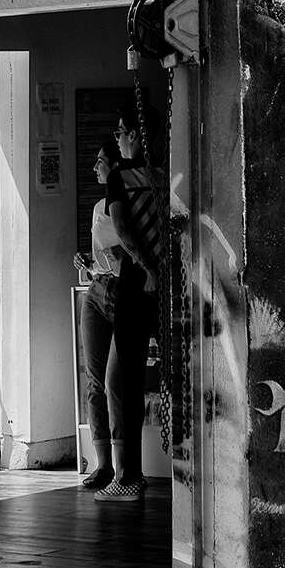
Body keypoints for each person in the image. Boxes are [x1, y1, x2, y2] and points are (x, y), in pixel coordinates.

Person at [97, 98, 166, 505]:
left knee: (122, 380)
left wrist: (145, 266)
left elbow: (123, 228)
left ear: (135, 135)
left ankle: (127, 476)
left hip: (136, 284)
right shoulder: (163, 173)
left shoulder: (120, 176)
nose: (118, 139)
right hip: (168, 282)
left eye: (120, 132)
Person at [75, 138, 124, 488]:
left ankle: (124, 467)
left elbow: (133, 251)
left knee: (114, 382)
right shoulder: (97, 208)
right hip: (97, 287)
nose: (95, 167)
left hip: (122, 290)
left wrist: (119, 255)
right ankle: (102, 464)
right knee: (94, 381)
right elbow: (100, 255)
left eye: (100, 161)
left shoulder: (127, 206)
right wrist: (87, 261)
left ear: (116, 166)